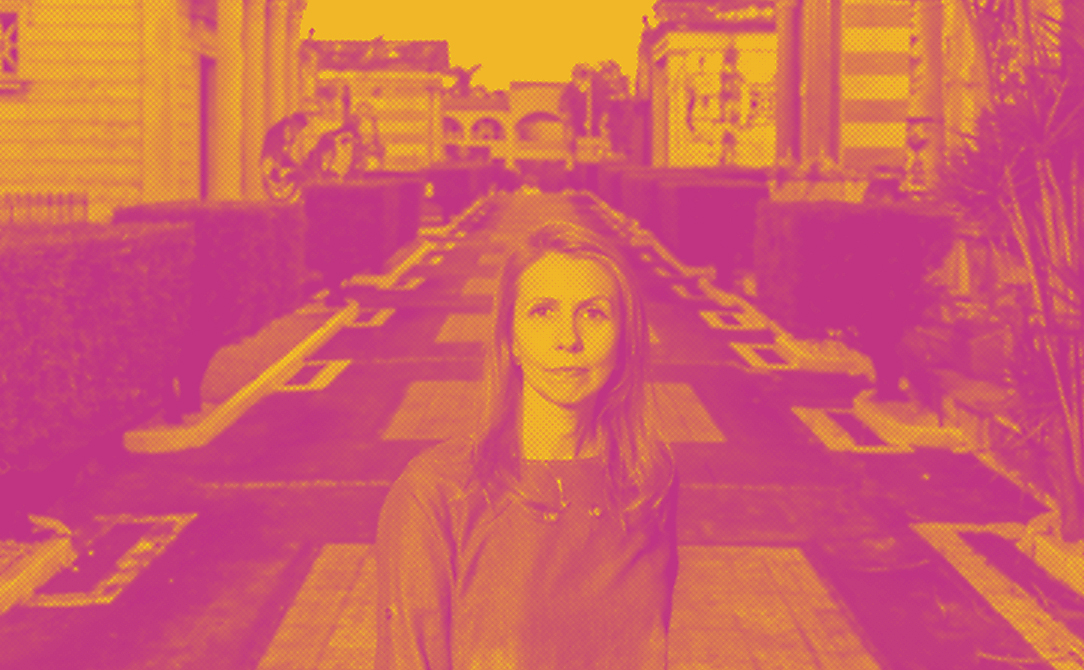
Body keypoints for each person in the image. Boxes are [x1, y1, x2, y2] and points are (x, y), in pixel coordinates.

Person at [375, 220, 680, 669]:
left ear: (625, 339)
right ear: (511, 340)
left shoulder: (648, 478)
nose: (568, 339)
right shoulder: (436, 494)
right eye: (543, 312)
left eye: (593, 313)